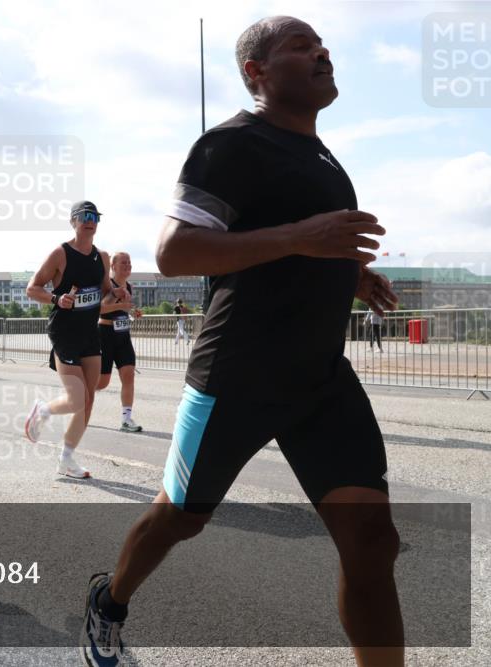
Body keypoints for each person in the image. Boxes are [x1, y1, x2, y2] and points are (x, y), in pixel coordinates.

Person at [79, 17, 402, 667]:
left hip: (319, 379)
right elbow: (173, 252)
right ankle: (110, 599)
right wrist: (300, 238)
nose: (321, 52)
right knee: (182, 516)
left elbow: (300, 244)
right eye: (299, 46)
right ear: (256, 72)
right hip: (238, 373)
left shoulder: (322, 156)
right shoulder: (229, 145)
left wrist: (350, 272)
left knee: (371, 541)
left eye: (322, 44)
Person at [24, 201, 124, 479]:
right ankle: (43, 410)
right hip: (64, 332)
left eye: (94, 217)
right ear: (73, 221)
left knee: (88, 400)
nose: (90, 221)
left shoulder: (102, 257)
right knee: (77, 397)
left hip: (89, 332)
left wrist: (117, 294)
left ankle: (66, 459)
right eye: (84, 216)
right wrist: (57, 298)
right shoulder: (60, 253)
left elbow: (105, 291)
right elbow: (32, 288)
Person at [97, 252, 144, 432]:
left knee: (128, 375)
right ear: (113, 266)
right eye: (124, 262)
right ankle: (78, 398)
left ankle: (126, 419)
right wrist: (120, 306)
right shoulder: (110, 285)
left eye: (129, 262)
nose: (128, 265)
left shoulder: (129, 286)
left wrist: (133, 313)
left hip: (123, 335)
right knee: (102, 382)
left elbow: (123, 310)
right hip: (106, 334)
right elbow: (101, 308)